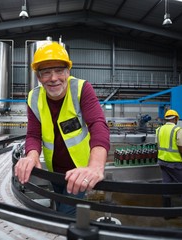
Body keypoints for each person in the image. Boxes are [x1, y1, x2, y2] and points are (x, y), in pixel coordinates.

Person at [14, 41, 110, 216]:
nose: (53, 78)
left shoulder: (81, 89)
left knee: (66, 216)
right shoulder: (34, 98)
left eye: (59, 71)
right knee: (60, 210)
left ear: (68, 71)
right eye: (46, 73)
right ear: (38, 76)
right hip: (55, 172)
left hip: (79, 171)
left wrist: (95, 166)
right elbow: (34, 134)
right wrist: (31, 156)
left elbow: (98, 124)